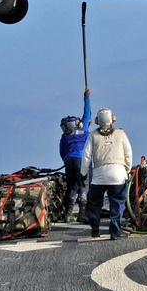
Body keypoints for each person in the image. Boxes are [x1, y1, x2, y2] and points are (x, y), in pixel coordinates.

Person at [81, 107, 133, 239]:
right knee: (117, 202)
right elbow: (128, 153)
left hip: (99, 176)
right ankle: (115, 231)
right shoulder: (121, 134)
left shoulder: (92, 135)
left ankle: (95, 228)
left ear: (98, 120)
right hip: (118, 175)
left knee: (95, 202)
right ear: (112, 119)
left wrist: (83, 173)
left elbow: (86, 156)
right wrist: (127, 170)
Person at [59, 89, 92, 223]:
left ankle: (68, 214)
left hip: (69, 161)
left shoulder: (65, 136)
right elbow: (88, 113)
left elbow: (62, 151)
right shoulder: (83, 131)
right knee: (84, 186)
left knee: (72, 186)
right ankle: (82, 213)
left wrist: (67, 161)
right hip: (81, 161)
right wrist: (87, 98)